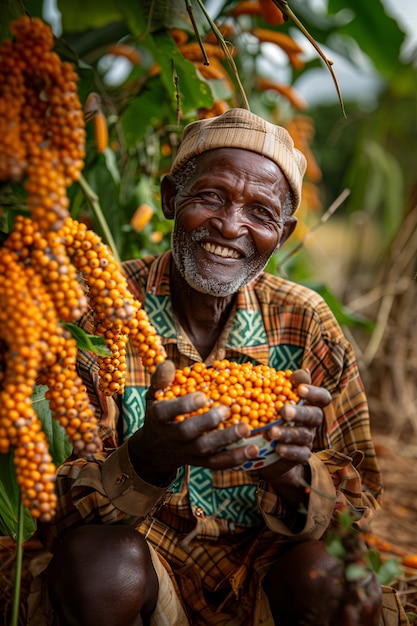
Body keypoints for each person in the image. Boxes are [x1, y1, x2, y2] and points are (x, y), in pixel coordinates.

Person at [36, 108, 404, 626]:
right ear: (169, 198)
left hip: (264, 578)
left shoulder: (304, 322)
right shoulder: (99, 311)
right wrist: (148, 457)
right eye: (210, 197)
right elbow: (50, 508)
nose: (231, 226)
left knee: (340, 583)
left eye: (261, 212)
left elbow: (358, 509)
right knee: (100, 566)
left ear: (285, 231)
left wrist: (291, 472)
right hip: (142, 569)